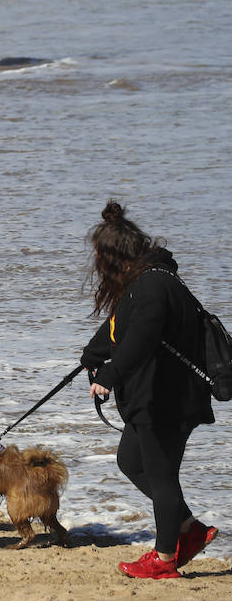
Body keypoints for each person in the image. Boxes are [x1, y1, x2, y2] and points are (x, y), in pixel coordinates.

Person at [80, 201, 218, 580]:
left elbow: (143, 335)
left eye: (99, 258)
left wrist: (110, 374)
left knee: (161, 475)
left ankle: (164, 559)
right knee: (130, 460)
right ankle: (189, 531)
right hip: (155, 395)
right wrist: (92, 355)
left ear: (113, 256)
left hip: (167, 399)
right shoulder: (145, 282)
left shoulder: (154, 284)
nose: (97, 266)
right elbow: (119, 325)